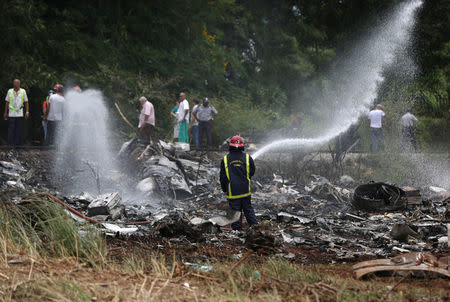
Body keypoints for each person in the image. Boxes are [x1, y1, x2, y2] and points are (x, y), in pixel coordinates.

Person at [220, 135, 257, 231]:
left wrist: (224, 189)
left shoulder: (225, 159)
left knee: (235, 212)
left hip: (233, 191)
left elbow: (222, 177)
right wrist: (246, 179)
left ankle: (237, 232)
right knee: (248, 209)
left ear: (230, 146)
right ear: (242, 146)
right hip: (245, 189)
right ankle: (255, 227)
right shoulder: (248, 158)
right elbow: (252, 171)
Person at [4, 79, 29, 146]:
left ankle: (17, 144)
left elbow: (26, 102)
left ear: (19, 84)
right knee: (11, 129)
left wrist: (27, 112)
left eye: (17, 83)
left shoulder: (23, 91)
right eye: (15, 83)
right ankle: (10, 143)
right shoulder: (10, 91)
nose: (16, 84)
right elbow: (7, 102)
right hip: (11, 113)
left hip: (19, 113)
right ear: (13, 84)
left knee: (18, 129)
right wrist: (5, 112)